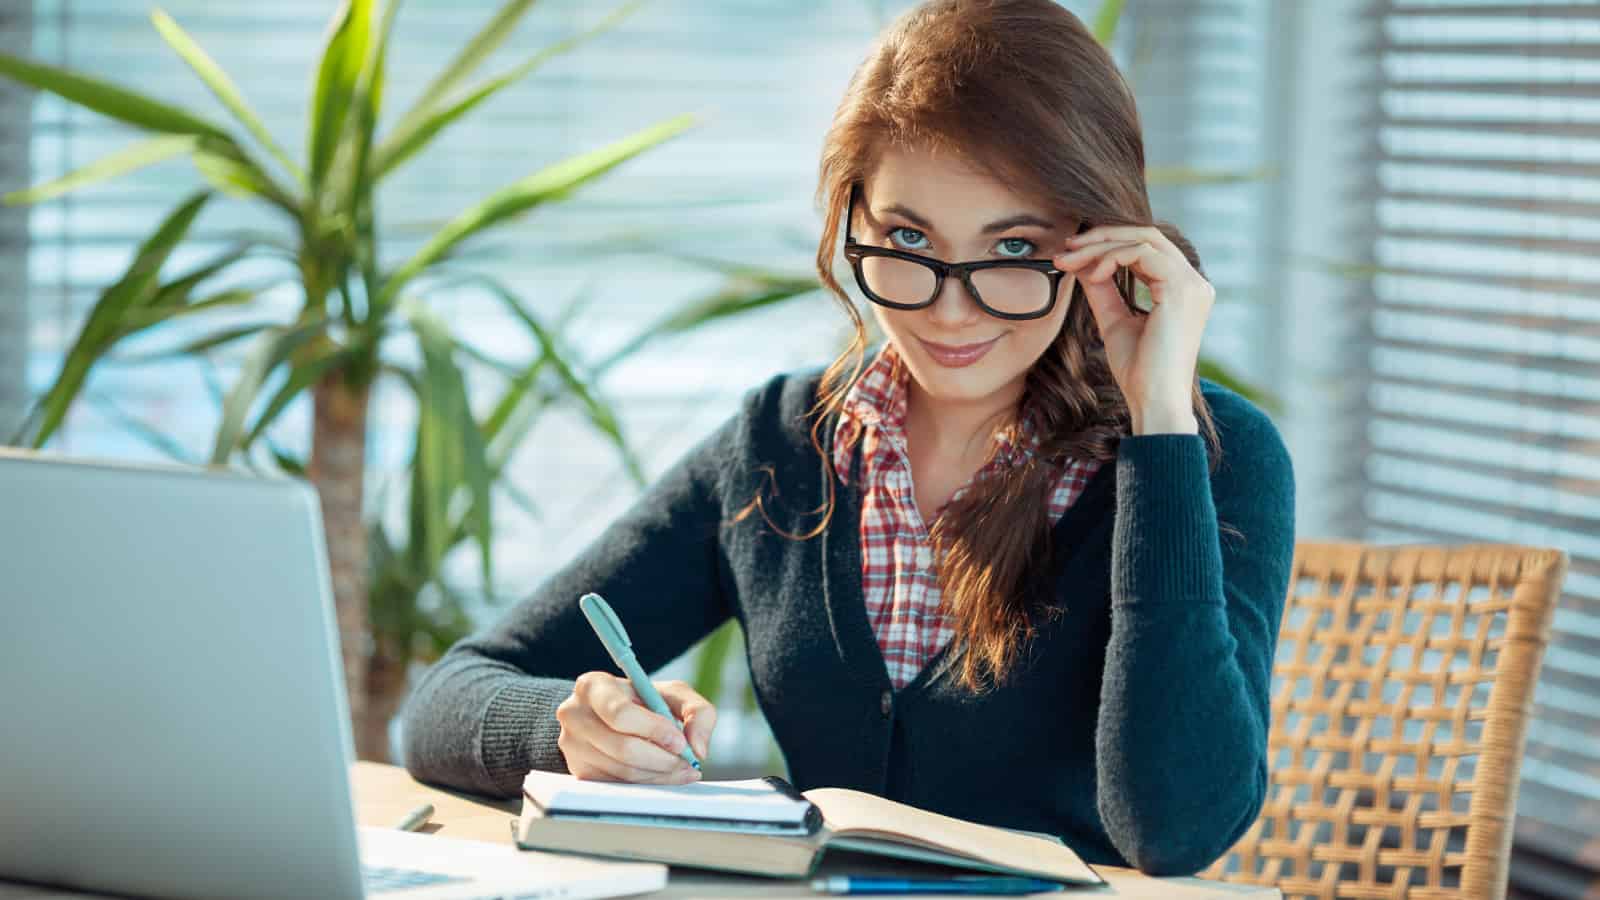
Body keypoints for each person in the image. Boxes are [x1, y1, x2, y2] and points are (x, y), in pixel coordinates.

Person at [401, 0, 1294, 877]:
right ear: (851, 222)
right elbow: (443, 704)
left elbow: (1174, 829)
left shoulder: (1210, 457)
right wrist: (575, 721)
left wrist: (1160, 425)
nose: (949, 311)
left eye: (1014, 249)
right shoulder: (782, 446)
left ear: (1101, 240)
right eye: (907, 238)